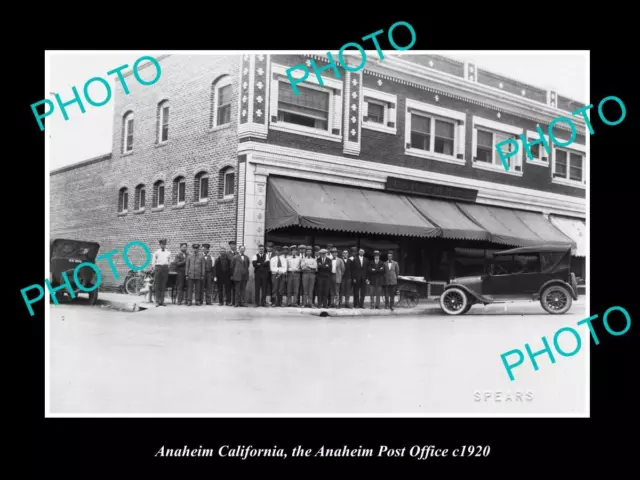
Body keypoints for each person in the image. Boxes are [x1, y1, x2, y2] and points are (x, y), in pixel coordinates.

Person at [152, 239, 171, 307]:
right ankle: (157, 301)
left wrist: (167, 267)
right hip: (158, 268)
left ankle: (162, 301)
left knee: (163, 286)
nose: (163, 245)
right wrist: (154, 269)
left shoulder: (168, 253)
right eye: (162, 244)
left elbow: (169, 261)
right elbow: (153, 262)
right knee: (158, 285)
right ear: (160, 245)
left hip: (165, 268)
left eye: (164, 244)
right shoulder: (156, 252)